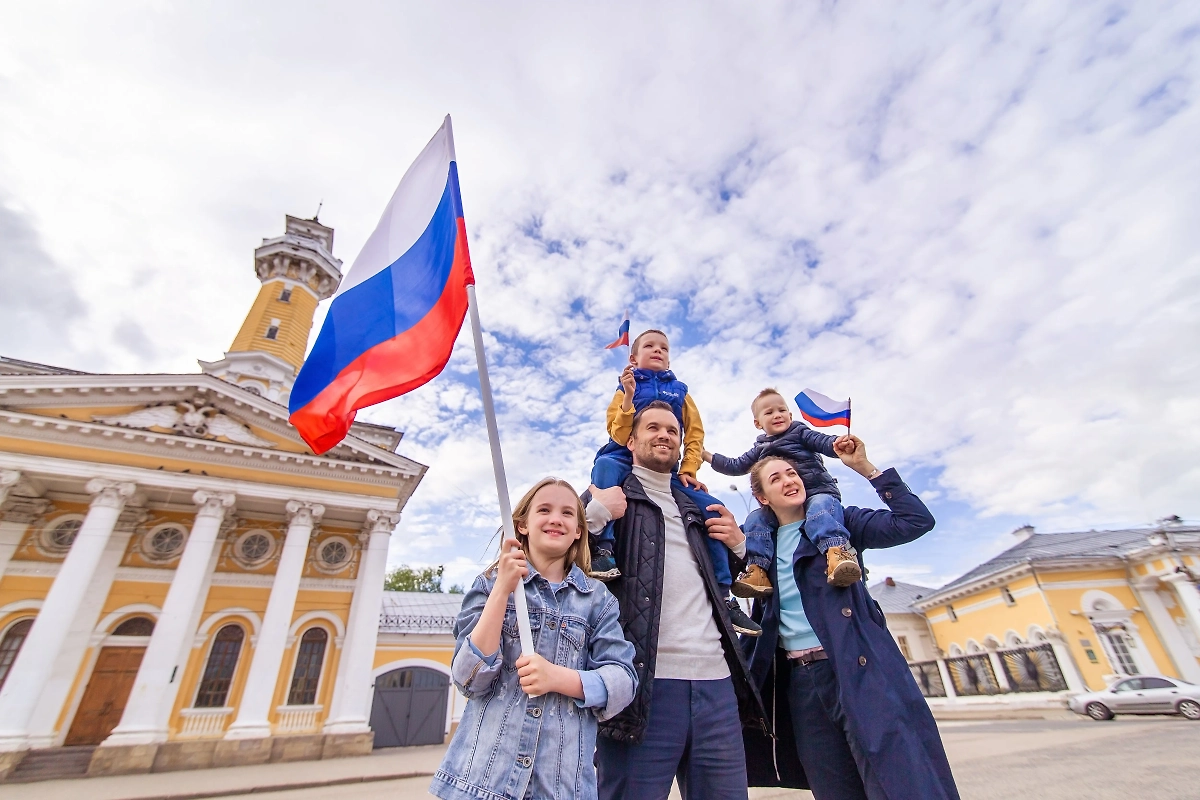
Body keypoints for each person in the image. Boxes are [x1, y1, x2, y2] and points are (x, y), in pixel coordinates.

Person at [734, 438, 961, 800]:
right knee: (834, 788)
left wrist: (866, 468)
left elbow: (916, 521)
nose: (789, 480)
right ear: (762, 498)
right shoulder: (758, 545)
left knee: (897, 782)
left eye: (792, 473)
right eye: (775, 478)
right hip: (799, 684)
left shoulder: (839, 522)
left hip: (858, 670)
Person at [584, 400, 767, 800]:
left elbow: (739, 582)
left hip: (717, 685)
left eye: (672, 430)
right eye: (653, 428)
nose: (665, 434)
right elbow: (563, 557)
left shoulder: (697, 506)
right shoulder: (610, 494)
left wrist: (739, 546)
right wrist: (596, 512)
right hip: (640, 687)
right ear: (630, 440)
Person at [431, 478, 638, 800]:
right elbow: (468, 679)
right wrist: (502, 590)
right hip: (483, 783)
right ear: (522, 525)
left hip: (562, 788)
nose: (556, 518)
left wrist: (559, 678)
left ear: (579, 530)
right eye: (545, 510)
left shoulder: (598, 599)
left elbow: (623, 682)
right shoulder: (488, 585)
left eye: (568, 513)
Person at [589, 329, 761, 636]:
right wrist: (628, 398)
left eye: (664, 348)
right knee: (603, 470)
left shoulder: (680, 392)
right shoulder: (626, 387)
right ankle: (603, 550)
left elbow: (694, 435)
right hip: (621, 456)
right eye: (650, 346)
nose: (658, 351)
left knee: (713, 509)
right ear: (633, 357)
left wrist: (690, 469)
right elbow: (617, 434)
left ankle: (725, 595)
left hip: (667, 469)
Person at [703, 388, 862, 596]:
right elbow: (736, 465)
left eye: (782, 410)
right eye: (769, 412)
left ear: (790, 415)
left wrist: (838, 444)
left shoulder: (800, 432)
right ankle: (757, 570)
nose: (777, 415)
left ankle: (836, 553)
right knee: (755, 519)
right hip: (782, 505)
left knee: (820, 511)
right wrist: (706, 455)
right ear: (758, 423)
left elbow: (822, 442)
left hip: (817, 492)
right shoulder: (760, 448)